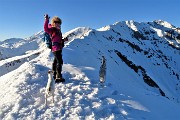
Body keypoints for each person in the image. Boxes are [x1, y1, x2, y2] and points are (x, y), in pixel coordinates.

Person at [44, 14, 68, 83]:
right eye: (57, 23)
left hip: (58, 48)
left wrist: (64, 40)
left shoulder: (58, 31)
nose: (58, 25)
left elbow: (58, 40)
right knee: (60, 61)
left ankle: (54, 74)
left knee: (55, 61)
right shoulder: (53, 30)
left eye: (59, 24)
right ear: (53, 23)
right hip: (56, 48)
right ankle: (58, 76)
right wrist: (46, 20)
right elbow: (46, 29)